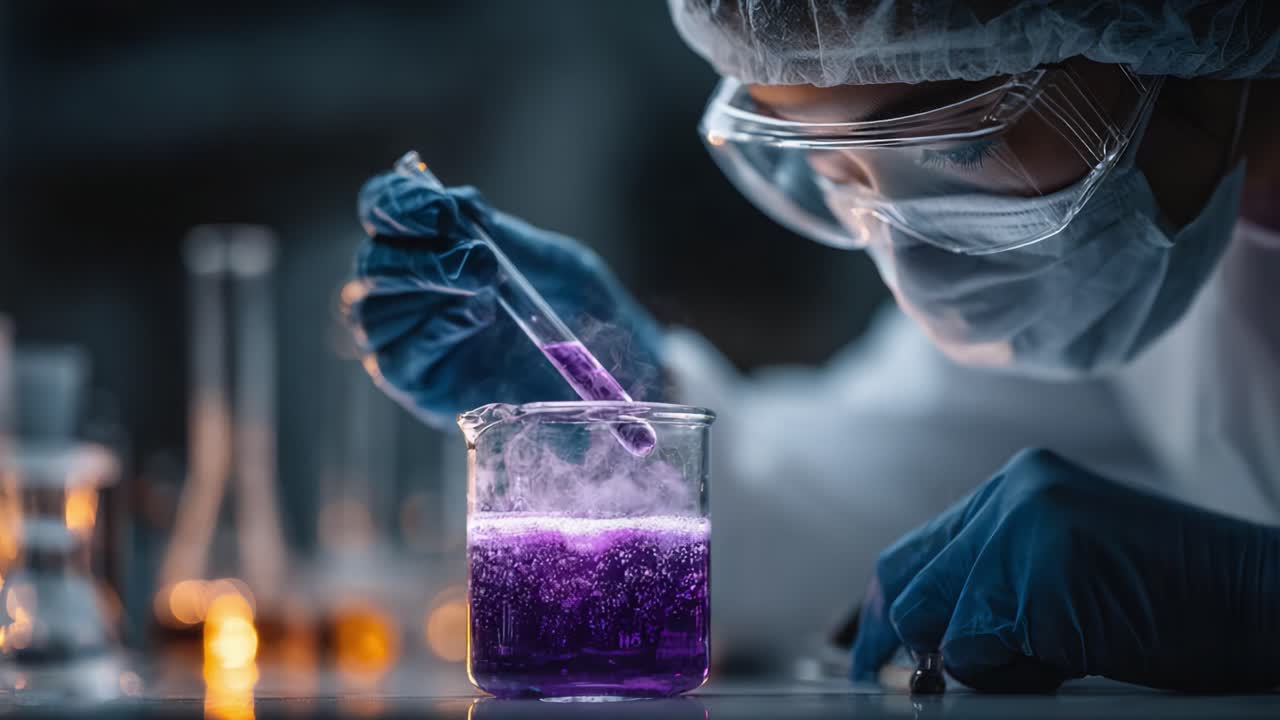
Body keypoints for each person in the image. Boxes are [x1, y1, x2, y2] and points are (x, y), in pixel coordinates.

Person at [346, 1, 1280, 692]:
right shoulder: (1156, 241)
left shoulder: (1144, 223)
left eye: (958, 147)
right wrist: (630, 428)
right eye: (835, 170)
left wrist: (1259, 605)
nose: (911, 252)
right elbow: (864, 494)